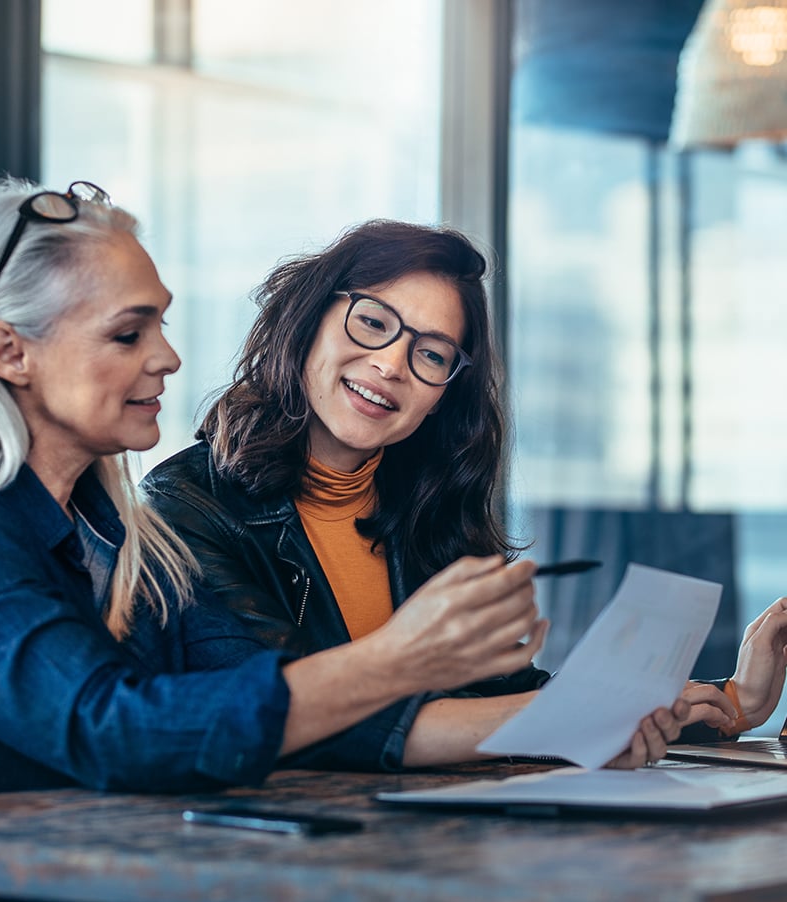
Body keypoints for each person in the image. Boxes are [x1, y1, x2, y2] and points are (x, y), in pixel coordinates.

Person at [0, 180, 708, 902]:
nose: (169, 359)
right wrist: (400, 658)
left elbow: (256, 695)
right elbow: (116, 731)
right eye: (128, 332)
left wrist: (609, 716)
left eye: (159, 324)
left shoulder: (115, 530)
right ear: (9, 352)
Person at [143, 219, 739, 763]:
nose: (391, 365)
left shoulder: (427, 508)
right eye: (374, 322)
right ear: (307, 321)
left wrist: (718, 701)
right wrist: (568, 721)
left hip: (431, 842)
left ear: (443, 396)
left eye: (431, 353)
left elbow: (501, 695)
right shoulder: (184, 507)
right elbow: (289, 719)